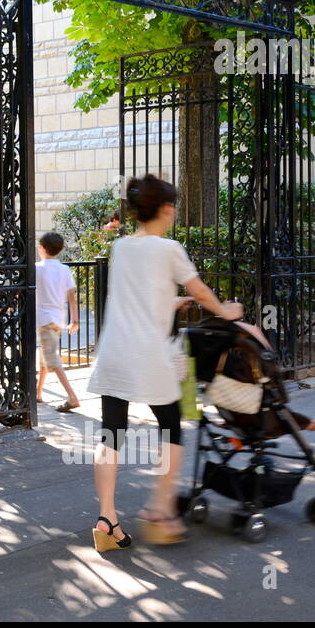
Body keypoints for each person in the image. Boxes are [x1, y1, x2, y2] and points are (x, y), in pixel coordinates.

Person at [86, 174, 244, 551]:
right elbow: (200, 290)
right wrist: (225, 310)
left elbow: (135, 296)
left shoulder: (121, 247)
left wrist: (170, 304)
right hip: (149, 356)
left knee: (111, 433)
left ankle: (107, 517)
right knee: (171, 428)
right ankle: (159, 509)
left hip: (114, 353)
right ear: (166, 208)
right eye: (172, 206)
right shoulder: (170, 248)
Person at [33, 232, 80, 412]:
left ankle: (72, 397)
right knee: (46, 357)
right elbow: (72, 298)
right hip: (57, 319)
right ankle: (38, 393)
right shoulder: (64, 269)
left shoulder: (38, 268)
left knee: (52, 360)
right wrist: (75, 320)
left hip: (44, 319)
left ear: (42, 248)